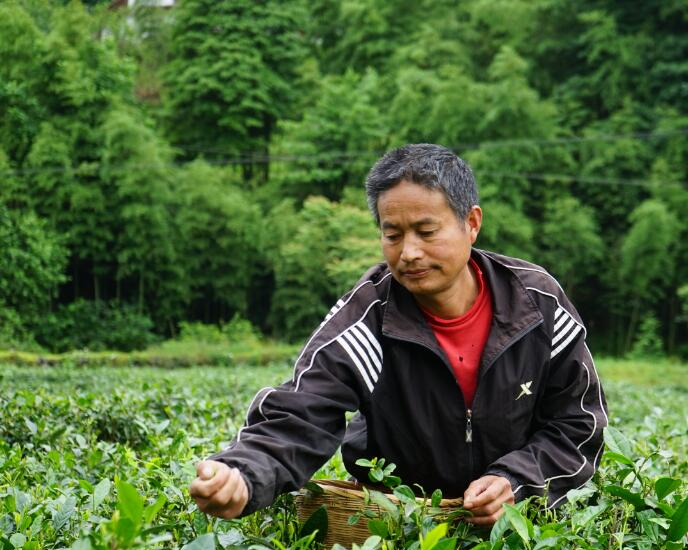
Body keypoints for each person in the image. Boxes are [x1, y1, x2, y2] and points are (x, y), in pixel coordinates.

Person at [189, 143, 608, 525]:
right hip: (401, 528)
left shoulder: (536, 304)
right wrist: (243, 473)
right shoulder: (368, 316)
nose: (408, 253)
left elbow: (577, 423)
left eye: (426, 232)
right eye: (392, 235)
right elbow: (303, 409)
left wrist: (517, 482)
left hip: (521, 530)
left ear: (472, 223)